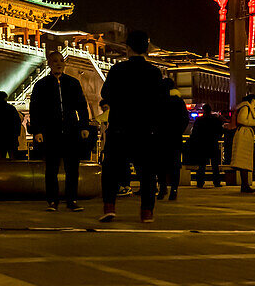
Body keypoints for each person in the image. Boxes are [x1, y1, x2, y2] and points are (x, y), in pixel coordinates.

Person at [99, 31, 162, 222]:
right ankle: (146, 212)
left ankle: (109, 206)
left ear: (128, 48)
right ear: (146, 49)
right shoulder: (154, 72)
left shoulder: (118, 70)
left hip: (120, 127)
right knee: (147, 172)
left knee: (111, 169)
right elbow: (159, 101)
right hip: (144, 130)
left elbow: (105, 94)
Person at [31, 49, 91, 214]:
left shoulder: (73, 83)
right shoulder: (41, 85)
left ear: (64, 64)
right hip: (51, 132)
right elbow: (35, 109)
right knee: (51, 169)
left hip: (71, 130)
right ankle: (52, 201)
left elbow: (82, 106)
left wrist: (84, 126)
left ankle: (72, 200)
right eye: (55, 61)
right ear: (49, 64)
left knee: (73, 168)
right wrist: (37, 130)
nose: (58, 64)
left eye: (61, 61)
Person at [155, 78, 189, 201]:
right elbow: (185, 118)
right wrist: (178, 131)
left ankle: (162, 188)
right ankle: (174, 189)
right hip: (175, 137)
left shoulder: (158, 101)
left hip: (160, 137)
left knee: (160, 164)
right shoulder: (179, 101)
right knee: (175, 165)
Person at [231, 94, 255, 193]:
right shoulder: (246, 108)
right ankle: (245, 185)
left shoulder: (246, 107)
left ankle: (245, 184)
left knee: (244, 161)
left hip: (245, 134)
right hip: (244, 134)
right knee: (244, 161)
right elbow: (241, 120)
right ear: (252, 100)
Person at [189, 104, 223, 188]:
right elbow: (220, 130)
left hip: (202, 143)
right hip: (213, 142)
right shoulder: (215, 119)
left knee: (201, 164)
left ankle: (200, 182)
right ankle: (216, 182)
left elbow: (195, 132)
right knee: (215, 165)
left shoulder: (199, 120)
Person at [0, 91, 22, 159]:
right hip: (11, 138)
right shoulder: (11, 108)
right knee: (13, 158)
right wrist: (16, 134)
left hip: (1, 138)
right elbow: (17, 122)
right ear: (5, 98)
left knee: (1, 158)